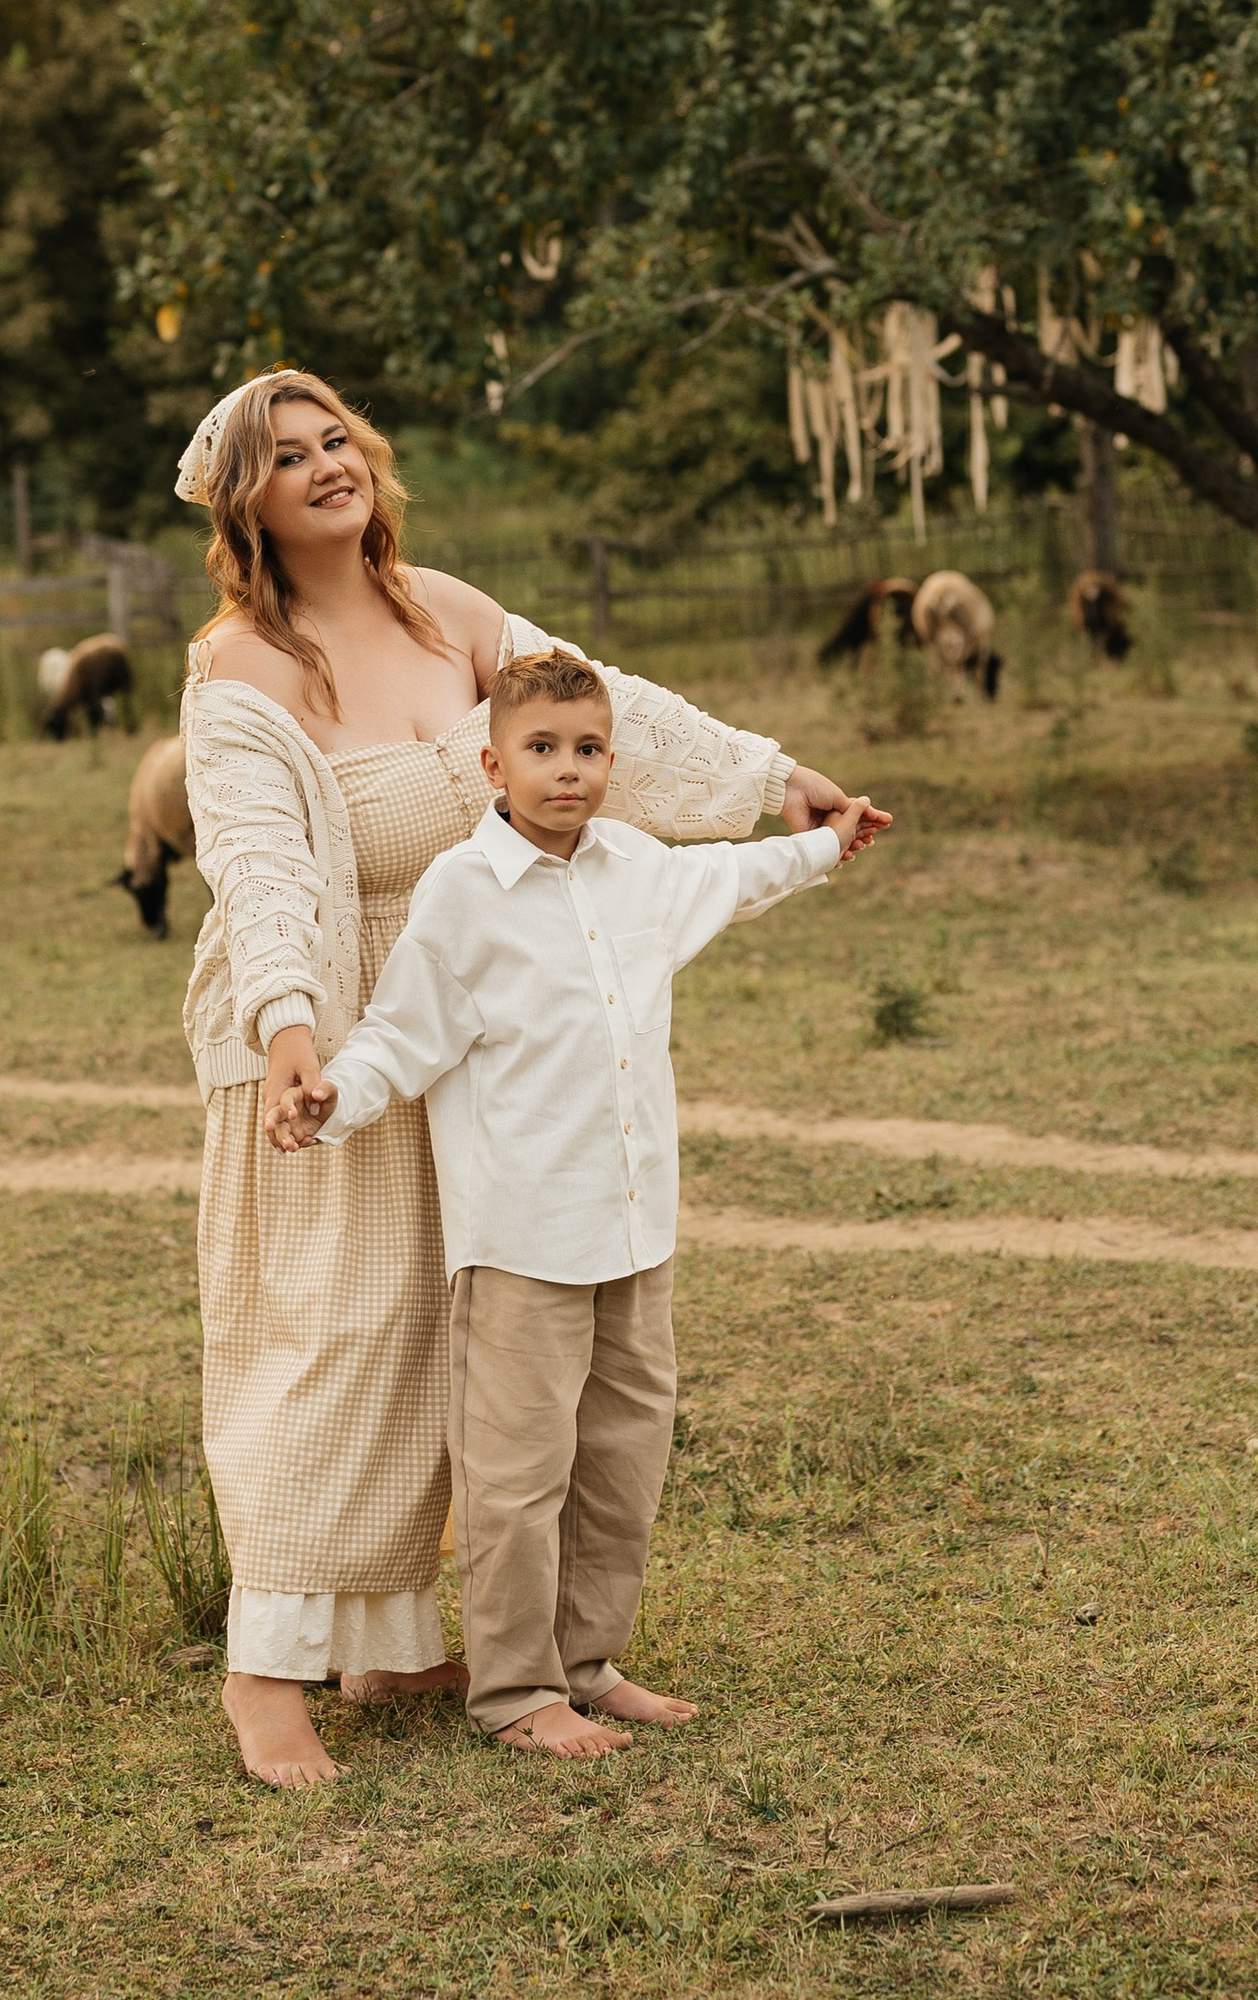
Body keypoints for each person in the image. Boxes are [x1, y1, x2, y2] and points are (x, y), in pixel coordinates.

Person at [175, 366, 889, 1789]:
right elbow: (258, 863)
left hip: (504, 1028)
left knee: (478, 1347)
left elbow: (617, 715)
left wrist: (772, 781)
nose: (327, 466)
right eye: (288, 456)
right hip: (335, 1025)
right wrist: (290, 1026)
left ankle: (398, 1637)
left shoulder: (456, 612)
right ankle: (269, 1674)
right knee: (339, 1335)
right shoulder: (239, 669)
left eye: (338, 441)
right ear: (243, 502)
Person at [269, 648, 881, 1752]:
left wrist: (824, 841)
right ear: (495, 764)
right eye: (543, 750)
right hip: (521, 1242)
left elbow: (728, 880)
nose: (568, 770)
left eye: (588, 748)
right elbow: (403, 1032)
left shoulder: (637, 867)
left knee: (621, 1457)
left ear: (612, 759)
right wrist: (331, 1097)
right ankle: (514, 1691)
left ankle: (588, 1660)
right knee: (517, 1475)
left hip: (634, 1226)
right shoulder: (459, 892)